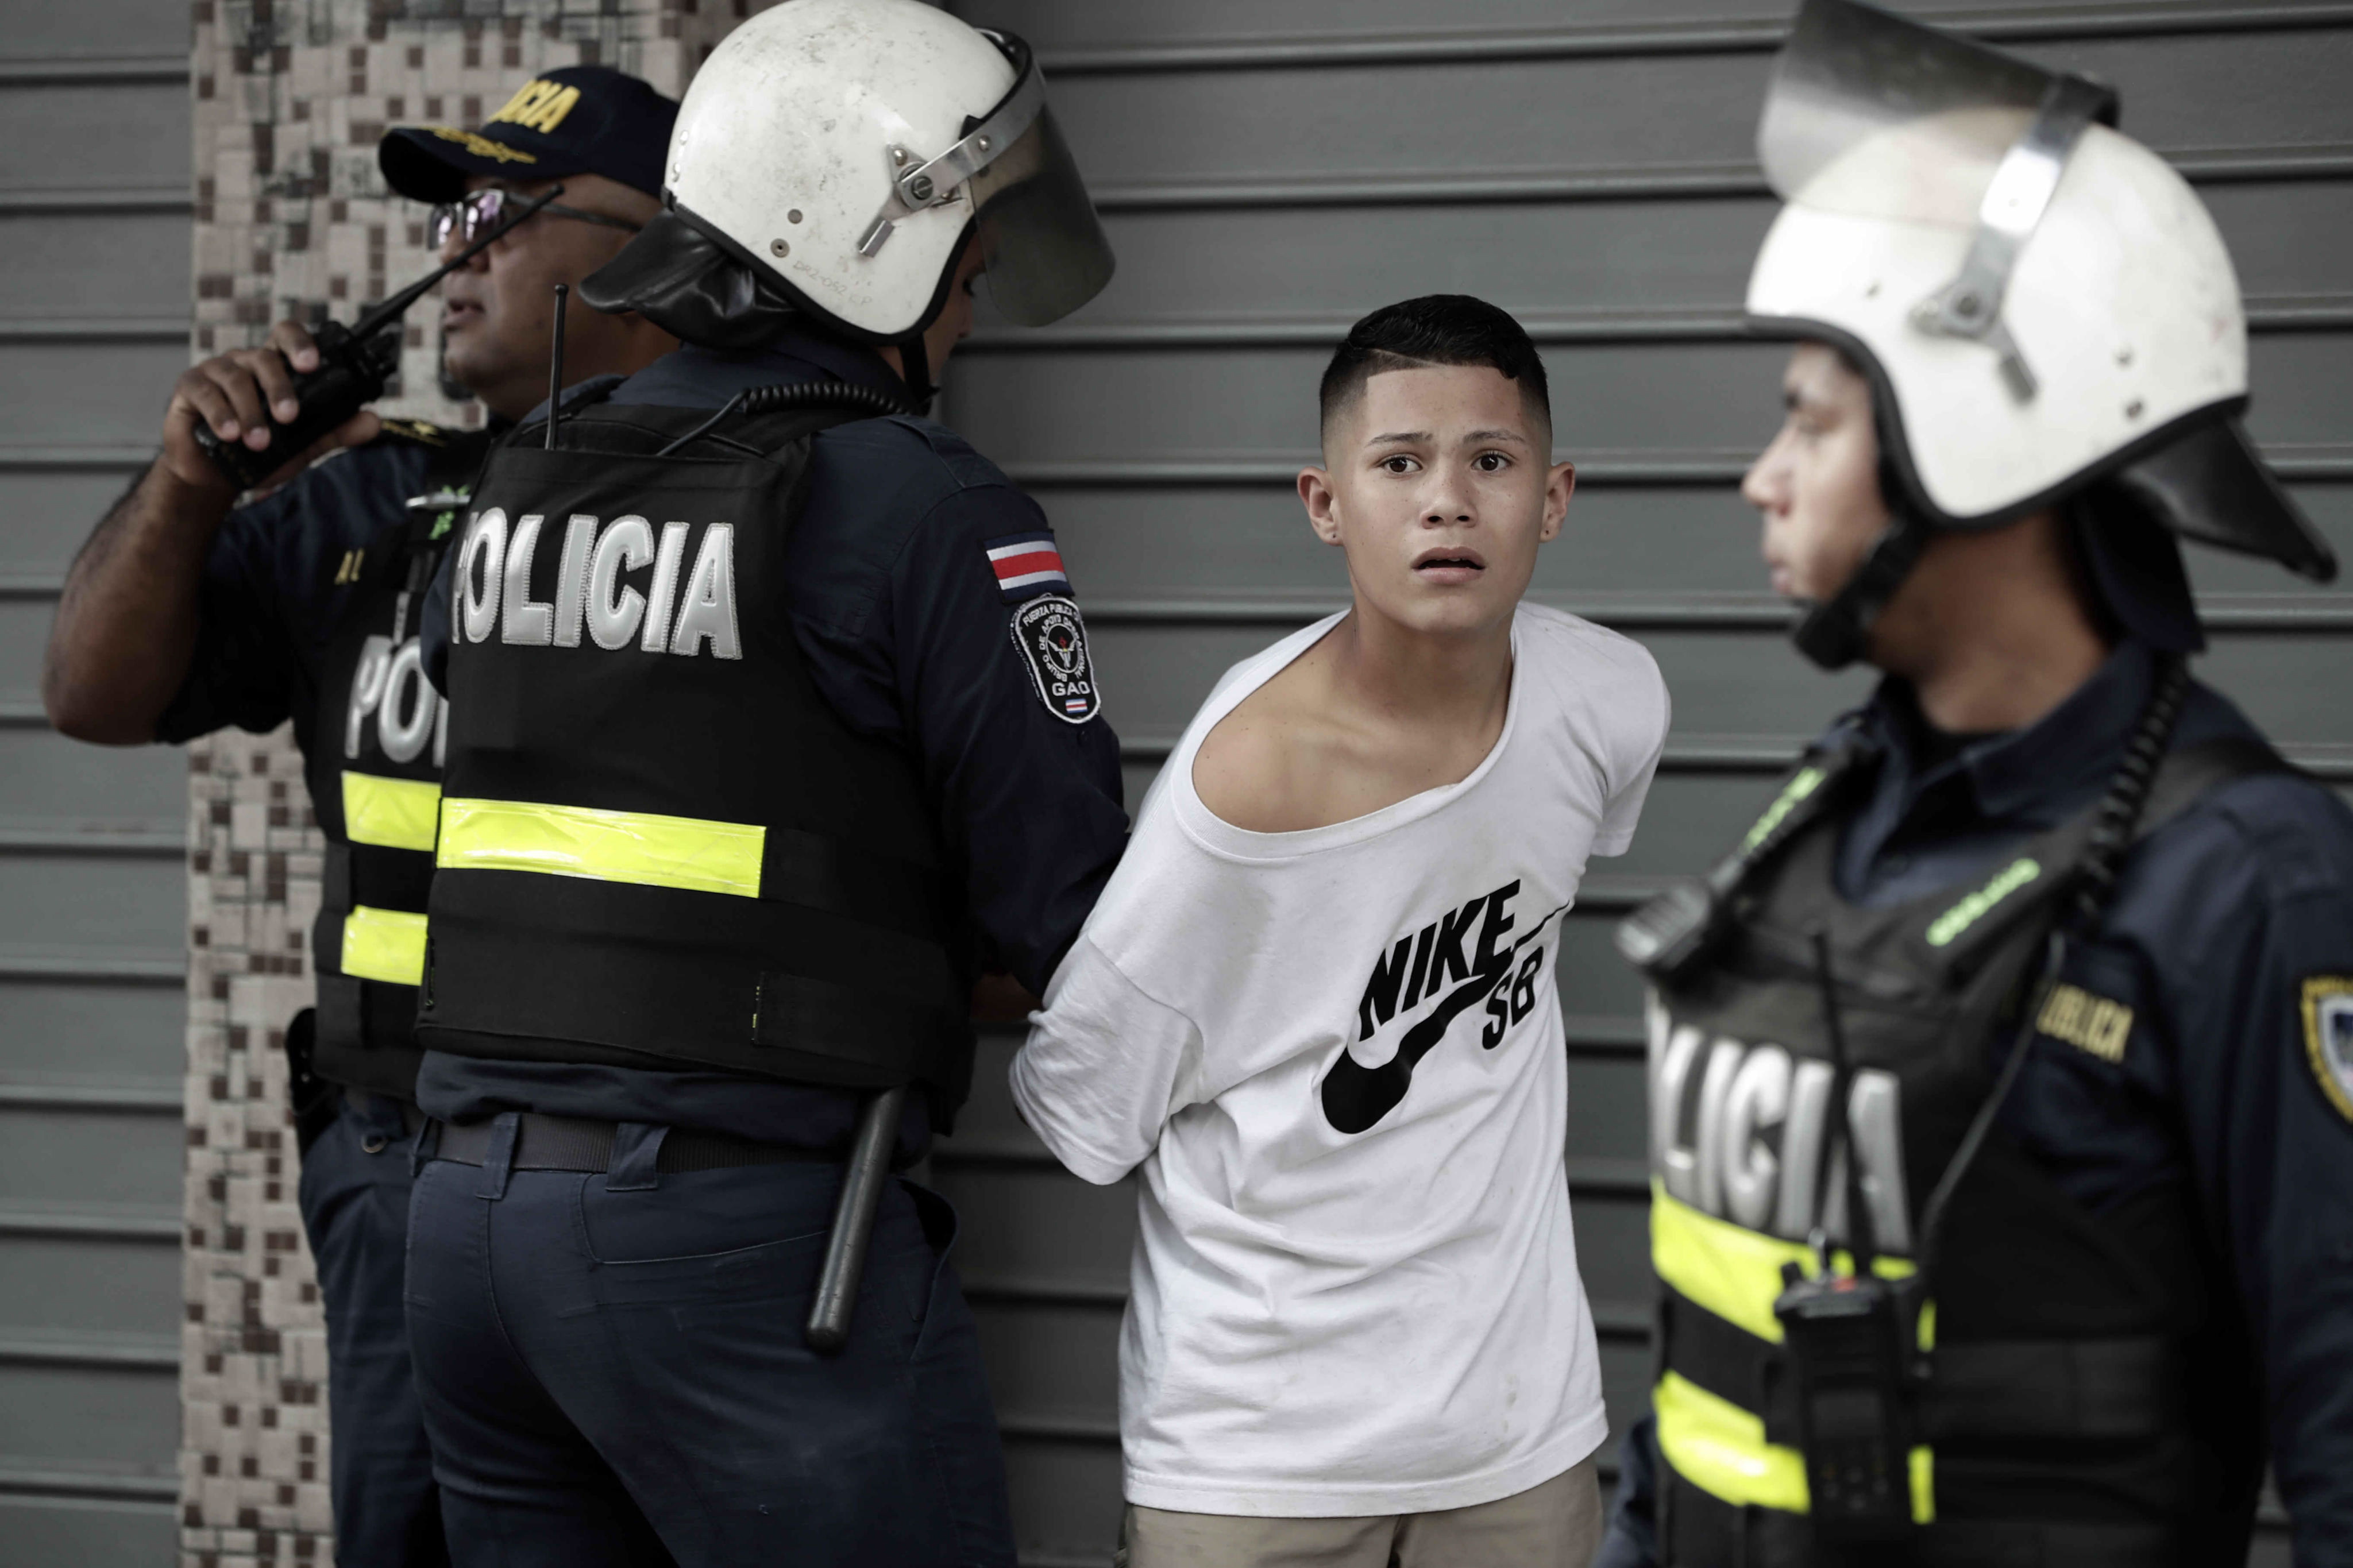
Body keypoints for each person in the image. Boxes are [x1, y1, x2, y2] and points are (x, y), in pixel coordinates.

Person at [1597, 3, 2353, 1564]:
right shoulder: (1823, 820)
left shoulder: (2250, 884)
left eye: (1811, 415)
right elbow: (1709, 1357)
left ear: (1983, 434)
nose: (1763, 473)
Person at [396, 3, 1128, 1563]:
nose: (973, 310)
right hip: (730, 1253)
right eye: (968, 264)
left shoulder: (524, 475)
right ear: (859, 233)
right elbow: (1073, 915)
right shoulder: (930, 509)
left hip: (463, 1235)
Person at [40, 66, 680, 1566]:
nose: (458, 250)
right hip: (399, 1166)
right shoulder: (370, 506)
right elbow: (93, 692)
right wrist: (195, 485)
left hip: (654, 1184)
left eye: (504, 214)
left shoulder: (751, 499)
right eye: (450, 215)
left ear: (660, 251)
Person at [1012, 295, 1671, 1568]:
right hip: (1256, 1457)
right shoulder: (1241, 785)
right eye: (1398, 464)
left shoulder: (1606, 703)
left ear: (1553, 495)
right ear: (1324, 504)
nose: (1446, 501)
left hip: (1516, 1437)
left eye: (1490, 461)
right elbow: (1083, 1106)